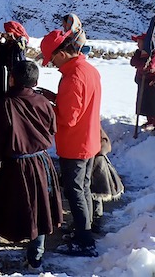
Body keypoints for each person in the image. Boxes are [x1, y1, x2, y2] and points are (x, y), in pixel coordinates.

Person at [0, 61, 62, 271]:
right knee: (40, 208)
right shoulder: (43, 103)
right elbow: (52, 129)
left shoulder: (4, 105)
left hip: (12, 166)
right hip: (40, 163)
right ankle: (35, 259)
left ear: (11, 79)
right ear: (36, 82)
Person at [38, 29, 101, 257]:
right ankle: (83, 231)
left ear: (62, 53)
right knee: (83, 189)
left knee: (75, 191)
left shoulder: (73, 76)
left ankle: (84, 241)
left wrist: (46, 107)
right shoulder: (87, 70)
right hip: (88, 140)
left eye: (52, 59)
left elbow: (68, 118)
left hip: (75, 144)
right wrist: (54, 97)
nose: (52, 64)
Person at [90, 127, 124, 234]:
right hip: (96, 156)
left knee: (95, 192)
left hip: (95, 159)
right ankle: (95, 221)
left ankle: (95, 222)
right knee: (95, 193)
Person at [131, 32, 155, 132]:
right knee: (145, 101)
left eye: (139, 42)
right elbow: (133, 62)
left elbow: (150, 67)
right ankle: (150, 121)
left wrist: (142, 64)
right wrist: (141, 64)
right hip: (142, 81)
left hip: (153, 82)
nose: (137, 44)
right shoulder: (138, 53)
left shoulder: (153, 53)